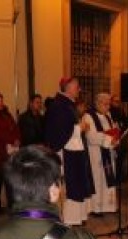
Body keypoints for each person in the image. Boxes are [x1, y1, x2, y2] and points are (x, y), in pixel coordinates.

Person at [44, 77, 95, 226]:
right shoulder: (59, 105)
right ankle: (67, 219)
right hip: (65, 153)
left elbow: (70, 126)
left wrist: (79, 127)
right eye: (76, 86)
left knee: (77, 183)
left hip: (74, 151)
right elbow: (60, 131)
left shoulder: (68, 104)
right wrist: (80, 128)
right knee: (69, 185)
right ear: (67, 87)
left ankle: (75, 218)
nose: (79, 89)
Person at [83, 92, 118, 215]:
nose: (108, 107)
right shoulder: (88, 116)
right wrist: (108, 139)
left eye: (109, 104)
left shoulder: (108, 115)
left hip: (108, 152)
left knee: (108, 179)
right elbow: (90, 136)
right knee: (98, 180)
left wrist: (115, 138)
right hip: (96, 154)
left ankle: (109, 206)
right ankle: (97, 208)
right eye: (105, 104)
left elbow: (113, 129)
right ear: (97, 103)